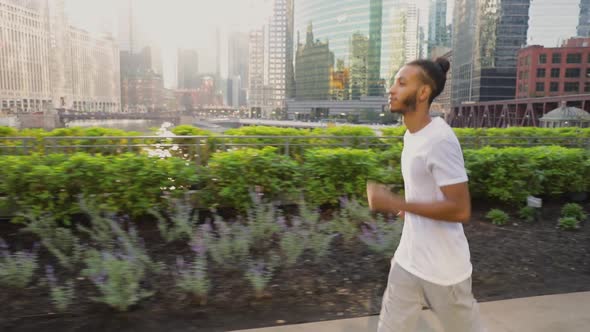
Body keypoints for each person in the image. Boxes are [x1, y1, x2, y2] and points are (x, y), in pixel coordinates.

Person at [367, 57, 485, 332]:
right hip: (408, 261)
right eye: (394, 82)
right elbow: (428, 192)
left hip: (444, 272)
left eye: (402, 83)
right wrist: (407, 207)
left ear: (423, 93)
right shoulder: (412, 136)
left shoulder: (440, 140)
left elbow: (460, 209)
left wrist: (395, 201)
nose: (392, 89)